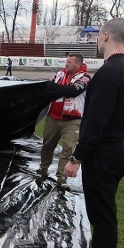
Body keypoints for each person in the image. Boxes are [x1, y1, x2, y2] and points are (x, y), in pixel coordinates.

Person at [63, 18, 124, 248]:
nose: (96, 41)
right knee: (100, 214)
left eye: (98, 36)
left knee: (103, 217)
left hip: (105, 154)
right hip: (116, 150)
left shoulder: (111, 72)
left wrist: (76, 158)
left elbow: (96, 122)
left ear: (106, 36)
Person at [39, 53, 91, 189]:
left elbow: (73, 91)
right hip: (53, 117)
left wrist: (59, 89)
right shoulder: (60, 74)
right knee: (47, 145)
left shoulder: (85, 77)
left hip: (72, 120)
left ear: (78, 64)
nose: (66, 64)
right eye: (66, 61)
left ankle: (61, 178)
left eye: (69, 62)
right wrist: (64, 90)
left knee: (68, 147)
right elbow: (49, 88)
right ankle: (43, 170)